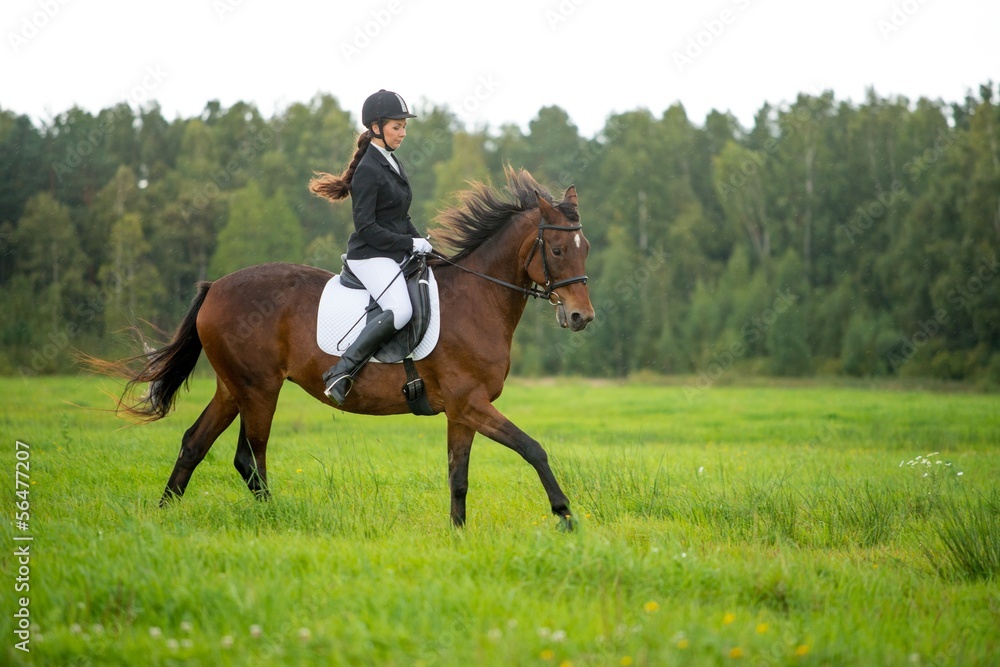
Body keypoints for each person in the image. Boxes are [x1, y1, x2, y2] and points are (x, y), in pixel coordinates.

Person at [308, 89, 432, 405]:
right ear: (376, 127)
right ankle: (342, 370)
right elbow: (367, 228)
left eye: (404, 127)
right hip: (370, 255)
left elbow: (400, 217)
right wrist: (408, 243)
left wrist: (423, 243)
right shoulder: (368, 170)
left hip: (392, 252)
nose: (403, 133)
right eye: (396, 127)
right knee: (400, 309)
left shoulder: (391, 161)